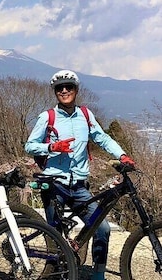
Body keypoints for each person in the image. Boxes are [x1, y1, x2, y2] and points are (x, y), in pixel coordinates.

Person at [25, 69, 135, 280]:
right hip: (55, 183)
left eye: (69, 87)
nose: (64, 90)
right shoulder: (47, 117)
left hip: (80, 187)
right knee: (55, 236)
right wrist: (52, 147)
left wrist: (122, 156)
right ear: (55, 91)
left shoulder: (86, 115)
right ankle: (56, 273)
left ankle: (98, 275)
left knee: (101, 228)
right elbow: (30, 146)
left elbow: (102, 138)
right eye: (60, 88)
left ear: (76, 90)